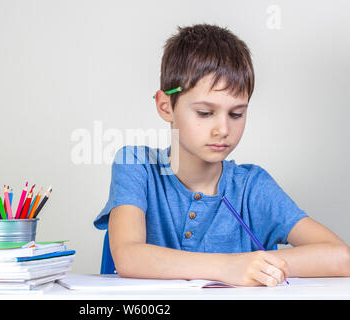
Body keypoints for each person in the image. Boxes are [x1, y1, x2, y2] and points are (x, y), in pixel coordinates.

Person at [93, 24, 349, 287]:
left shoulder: (252, 187)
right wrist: (230, 265)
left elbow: (341, 257)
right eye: (205, 113)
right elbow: (129, 257)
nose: (223, 129)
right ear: (165, 106)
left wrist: (256, 264)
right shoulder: (137, 165)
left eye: (236, 114)